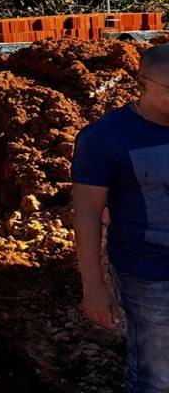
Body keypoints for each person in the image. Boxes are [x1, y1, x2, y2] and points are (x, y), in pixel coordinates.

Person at [74, 43, 169, 393]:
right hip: (149, 274)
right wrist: (94, 286)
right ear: (142, 84)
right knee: (157, 374)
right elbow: (86, 214)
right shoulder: (105, 139)